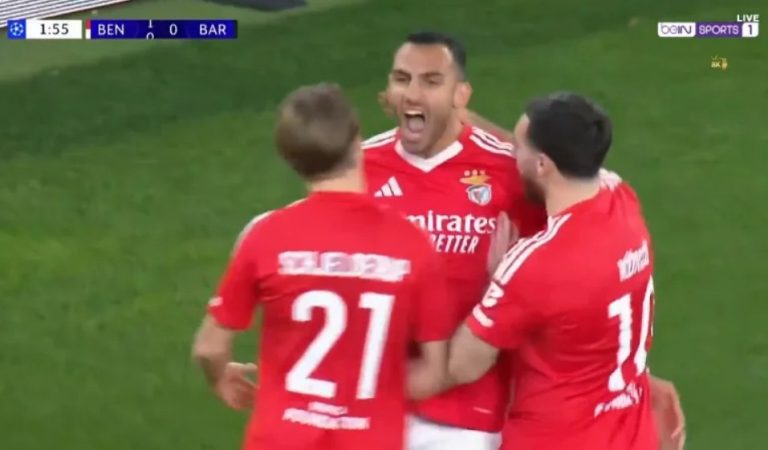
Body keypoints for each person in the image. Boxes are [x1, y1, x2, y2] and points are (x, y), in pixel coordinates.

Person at [191, 83, 456, 450]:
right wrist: (370, 392)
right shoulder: (412, 243)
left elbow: (209, 347)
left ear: (291, 159)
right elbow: (433, 373)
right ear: (356, 142)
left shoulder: (265, 235)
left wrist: (220, 377)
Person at [449, 92, 685, 450]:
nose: (511, 155)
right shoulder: (620, 199)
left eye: (518, 150)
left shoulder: (538, 263)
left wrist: (494, 283)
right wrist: (461, 119)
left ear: (542, 164)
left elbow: (462, 366)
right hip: (630, 436)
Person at [364, 31, 548, 450]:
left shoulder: (509, 174)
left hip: (468, 422)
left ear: (460, 94)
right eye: (401, 79)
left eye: (431, 81)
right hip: (372, 413)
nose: (412, 94)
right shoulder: (358, 169)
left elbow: (569, 281)